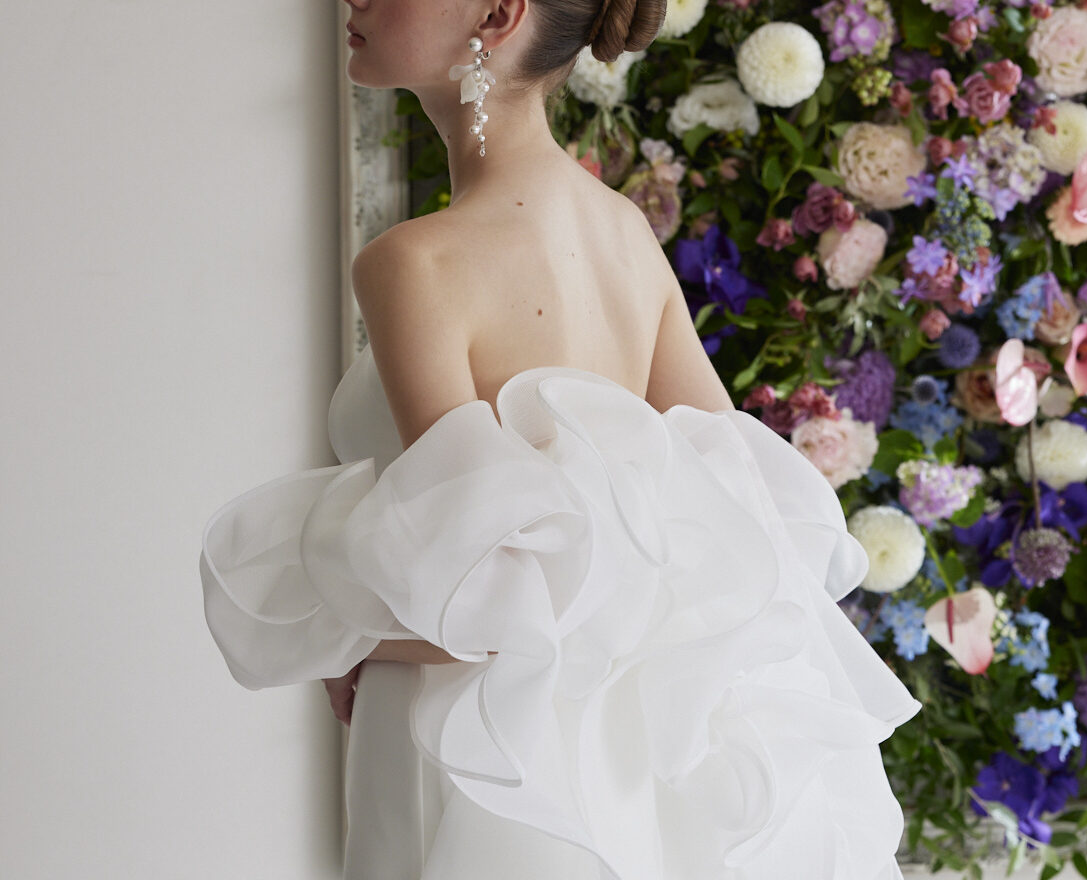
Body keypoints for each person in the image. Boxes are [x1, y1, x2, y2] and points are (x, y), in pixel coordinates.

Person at [200, 1, 922, 877]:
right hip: (594, 779)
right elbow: (744, 531)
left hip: (474, 760)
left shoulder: (416, 263)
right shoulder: (623, 235)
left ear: (497, 12)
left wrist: (343, 635)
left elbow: (488, 601)